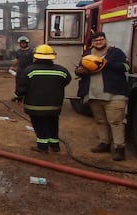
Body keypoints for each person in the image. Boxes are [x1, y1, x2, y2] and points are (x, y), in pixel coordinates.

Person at [76, 31, 130, 161]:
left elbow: (126, 67)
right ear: (92, 43)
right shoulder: (87, 54)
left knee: (116, 121)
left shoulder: (115, 52)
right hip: (94, 94)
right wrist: (79, 71)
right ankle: (104, 143)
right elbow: (78, 69)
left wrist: (106, 63)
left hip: (115, 94)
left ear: (105, 40)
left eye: (101, 40)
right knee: (100, 121)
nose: (98, 42)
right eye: (96, 41)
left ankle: (119, 148)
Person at [13, 44, 71, 153]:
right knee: (53, 122)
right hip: (54, 105)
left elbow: (22, 87)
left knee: (39, 124)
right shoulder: (61, 70)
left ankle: (42, 146)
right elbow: (66, 81)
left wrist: (17, 96)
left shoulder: (29, 71)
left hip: (35, 106)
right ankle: (55, 145)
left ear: (36, 57)